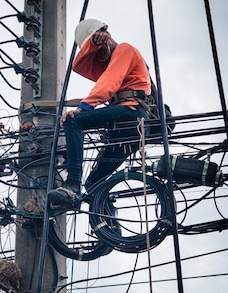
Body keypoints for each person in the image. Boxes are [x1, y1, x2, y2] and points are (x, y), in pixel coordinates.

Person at [47, 19, 152, 206]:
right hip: (127, 128)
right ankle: (109, 228)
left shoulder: (124, 50)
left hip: (132, 112)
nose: (99, 58)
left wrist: (84, 108)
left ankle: (72, 185)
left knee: (74, 121)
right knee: (94, 183)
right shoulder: (112, 60)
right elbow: (84, 68)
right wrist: (95, 45)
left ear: (108, 38)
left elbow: (108, 84)